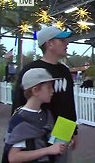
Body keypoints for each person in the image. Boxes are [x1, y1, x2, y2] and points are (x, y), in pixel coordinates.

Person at [11, 26, 78, 161]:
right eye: (62, 40)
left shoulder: (64, 71)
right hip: (37, 129)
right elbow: (19, 103)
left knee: (61, 159)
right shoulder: (31, 70)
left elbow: (69, 103)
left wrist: (74, 130)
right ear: (50, 44)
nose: (67, 44)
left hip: (63, 128)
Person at [2, 68, 66, 163]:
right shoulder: (21, 120)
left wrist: (61, 144)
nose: (52, 91)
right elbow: (13, 157)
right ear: (35, 90)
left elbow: (50, 142)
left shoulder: (46, 114)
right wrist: (48, 150)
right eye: (49, 87)